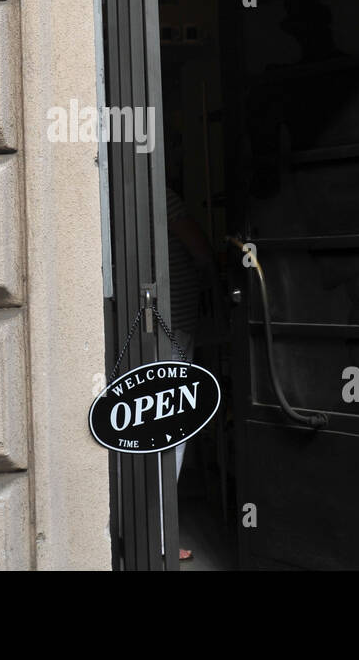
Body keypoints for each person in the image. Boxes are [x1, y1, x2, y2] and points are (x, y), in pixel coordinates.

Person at [165, 183, 215, 562]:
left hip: (156, 323)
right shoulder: (164, 194)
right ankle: (162, 535)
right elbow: (199, 248)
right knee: (173, 423)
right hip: (172, 323)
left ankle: (154, 530)